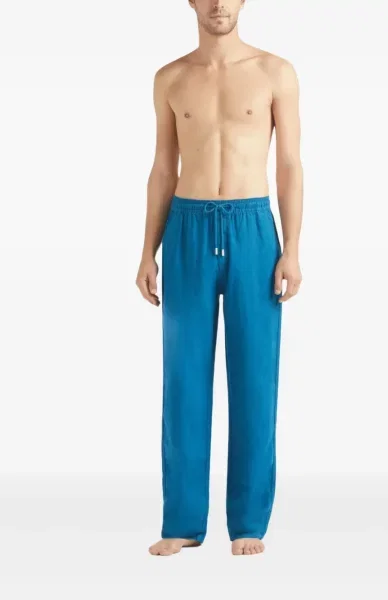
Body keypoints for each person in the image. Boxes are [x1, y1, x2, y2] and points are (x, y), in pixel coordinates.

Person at [136, 0, 303, 557]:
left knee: (255, 376)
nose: (217, 5)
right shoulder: (170, 78)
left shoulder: (275, 72)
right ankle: (183, 521)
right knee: (183, 378)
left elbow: (289, 165)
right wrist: (147, 251)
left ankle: (248, 522)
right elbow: (164, 167)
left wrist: (292, 249)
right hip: (186, 227)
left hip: (254, 228)